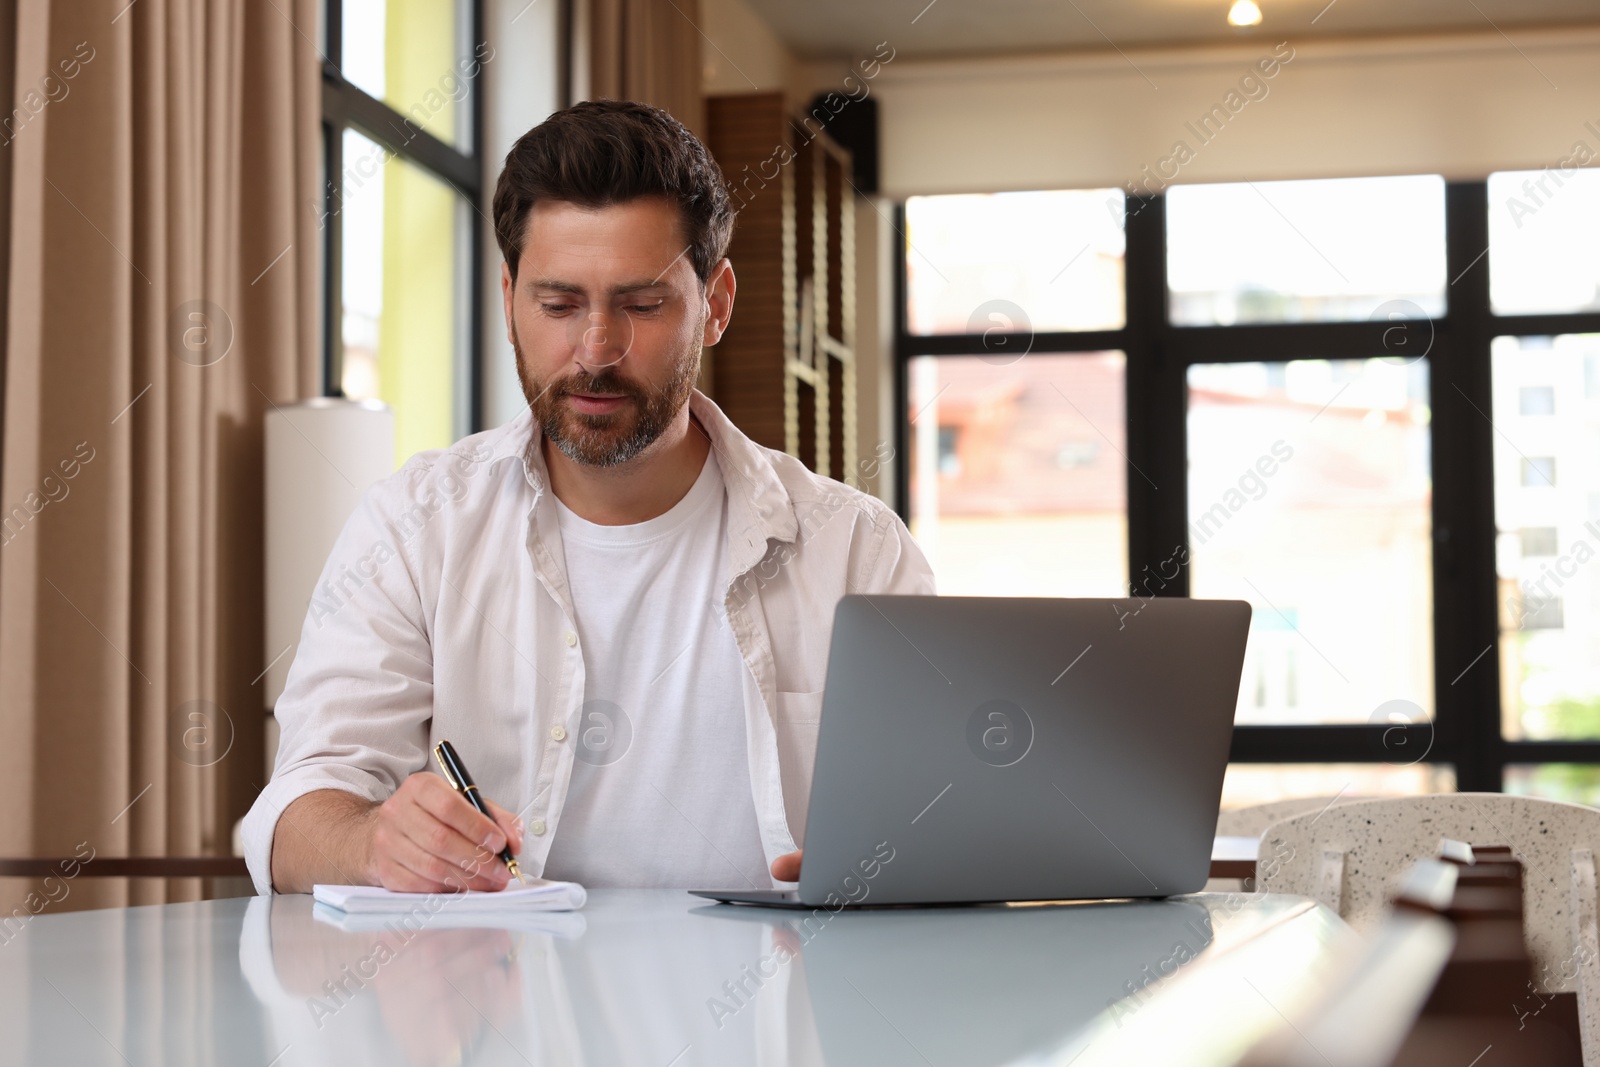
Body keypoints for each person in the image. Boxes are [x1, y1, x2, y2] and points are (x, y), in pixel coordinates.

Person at [242, 100, 934, 896]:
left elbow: (939, 810)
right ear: (507, 301)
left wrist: (899, 861)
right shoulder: (414, 525)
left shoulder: (857, 550)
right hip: (499, 1009)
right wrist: (372, 842)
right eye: (558, 305)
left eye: (641, 305)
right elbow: (296, 814)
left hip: (783, 1008)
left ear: (717, 304)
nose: (597, 349)